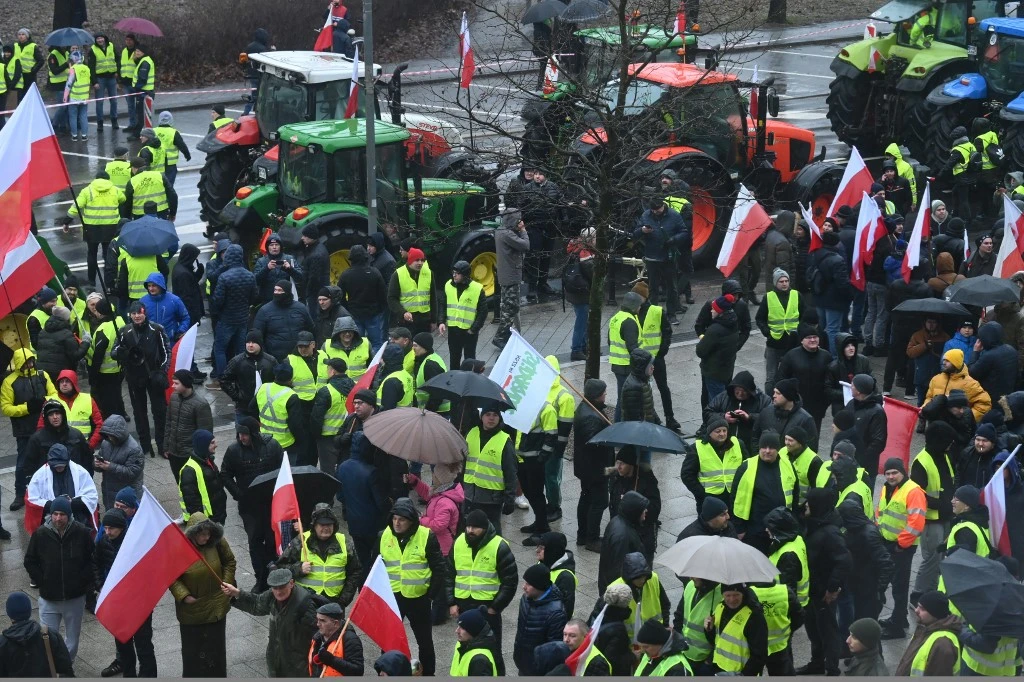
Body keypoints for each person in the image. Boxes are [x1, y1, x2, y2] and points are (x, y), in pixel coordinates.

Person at [374, 498, 446, 675]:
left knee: (425, 642)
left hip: (418, 598)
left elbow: (439, 568)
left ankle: (429, 674)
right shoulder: (383, 536)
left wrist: (430, 595)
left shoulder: (426, 536)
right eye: (395, 518)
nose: (397, 523)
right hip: (393, 598)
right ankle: (386, 673)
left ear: (411, 521)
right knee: (389, 642)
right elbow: (374, 567)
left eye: (402, 520)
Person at [23, 496, 94, 662]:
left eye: (62, 514)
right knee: (47, 638)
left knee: (73, 638)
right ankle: (53, 669)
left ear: (69, 515)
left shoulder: (81, 532)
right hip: (49, 597)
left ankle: (66, 667)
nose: (58, 518)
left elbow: (92, 559)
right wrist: (42, 580)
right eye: (55, 514)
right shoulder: (40, 534)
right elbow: (30, 561)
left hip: (74, 598)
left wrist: (82, 581)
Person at [447, 511, 519, 663]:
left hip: (488, 607)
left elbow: (510, 582)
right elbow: (449, 574)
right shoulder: (459, 542)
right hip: (463, 606)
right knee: (464, 648)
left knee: (493, 651)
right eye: (468, 526)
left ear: (485, 528)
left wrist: (495, 608)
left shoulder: (499, 546)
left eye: (475, 527)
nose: (470, 530)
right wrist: (451, 603)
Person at [221, 568, 319, 677]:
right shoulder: (272, 596)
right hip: (276, 659)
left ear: (291, 583)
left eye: (281, 587)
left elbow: (316, 639)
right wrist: (237, 593)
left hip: (297, 666)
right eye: (274, 587)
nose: (278, 591)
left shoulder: (305, 606)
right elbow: (256, 604)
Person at [94, 508, 157, 677]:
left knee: (143, 644)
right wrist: (100, 585)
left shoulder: (135, 543)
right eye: (105, 528)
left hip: (139, 603)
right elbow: (96, 564)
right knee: (123, 643)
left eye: (111, 528)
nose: (107, 532)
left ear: (121, 527)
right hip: (118, 602)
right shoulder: (103, 542)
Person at [797, 488, 851, 676]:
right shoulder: (813, 522)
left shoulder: (830, 531)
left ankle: (831, 668)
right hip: (812, 588)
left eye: (809, 503)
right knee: (813, 628)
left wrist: (832, 588)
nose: (805, 506)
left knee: (827, 630)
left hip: (823, 591)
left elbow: (843, 560)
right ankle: (817, 662)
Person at [876, 457, 927, 640]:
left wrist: (901, 544)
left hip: (901, 546)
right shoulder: (886, 488)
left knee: (899, 585)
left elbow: (916, 522)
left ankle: (897, 626)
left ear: (903, 472)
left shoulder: (913, 491)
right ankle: (899, 618)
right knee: (898, 584)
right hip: (888, 542)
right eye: (887, 473)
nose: (890, 476)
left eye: (894, 473)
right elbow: (881, 512)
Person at [112, 301, 170, 456]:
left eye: (140, 312)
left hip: (154, 376)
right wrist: (121, 353)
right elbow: (114, 351)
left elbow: (166, 352)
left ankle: (162, 445)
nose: (137, 316)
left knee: (160, 411)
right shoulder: (124, 331)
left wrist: (161, 372)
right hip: (134, 378)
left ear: (145, 313)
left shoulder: (157, 329)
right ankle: (144, 445)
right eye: (134, 313)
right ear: (130, 315)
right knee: (139, 412)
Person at [908, 421, 957, 601]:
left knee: (940, 557)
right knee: (932, 558)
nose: (951, 444)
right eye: (948, 441)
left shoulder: (943, 455)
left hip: (945, 517)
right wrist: (943, 505)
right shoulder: (922, 462)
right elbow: (918, 494)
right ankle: (918, 595)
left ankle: (931, 593)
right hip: (931, 520)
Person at [731, 431, 799, 541]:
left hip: (780, 528)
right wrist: (739, 528)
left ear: (778, 449)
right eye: (764, 447)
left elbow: (795, 495)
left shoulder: (788, 466)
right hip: (755, 529)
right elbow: (735, 499)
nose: (767, 451)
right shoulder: (746, 467)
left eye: (771, 447)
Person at [336, 432, 389, 573]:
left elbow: (340, 496)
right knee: (377, 560)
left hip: (354, 524)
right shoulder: (371, 472)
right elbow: (381, 503)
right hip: (373, 525)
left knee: (363, 560)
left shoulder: (343, 467)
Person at [835, 499, 893, 625]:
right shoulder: (854, 529)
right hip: (858, 585)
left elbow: (886, 563)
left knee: (866, 628)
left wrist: (879, 589)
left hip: (868, 589)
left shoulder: (868, 534)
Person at [463, 402, 518, 534]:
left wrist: (510, 499)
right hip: (470, 494)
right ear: (482, 417)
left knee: (492, 531)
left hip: (492, 499)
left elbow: (511, 472)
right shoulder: (472, 433)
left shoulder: (504, 440)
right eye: (488, 414)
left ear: (500, 418)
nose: (491, 418)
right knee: (470, 530)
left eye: (495, 415)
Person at [64, 170, 125, 286]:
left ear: (96, 179)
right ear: (108, 179)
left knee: (92, 254)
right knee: (109, 255)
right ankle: (109, 281)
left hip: (91, 228)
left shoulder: (87, 191)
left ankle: (91, 280)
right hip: (111, 226)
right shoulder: (115, 190)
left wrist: (67, 221)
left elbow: (76, 206)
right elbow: (123, 199)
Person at [573, 379, 613, 551]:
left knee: (586, 498)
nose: (605, 395)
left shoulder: (587, 408)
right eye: (603, 392)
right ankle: (592, 538)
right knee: (600, 502)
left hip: (586, 467)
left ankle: (582, 535)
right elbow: (593, 443)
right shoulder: (591, 417)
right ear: (597, 395)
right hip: (595, 468)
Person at [0, 590, 75, 677]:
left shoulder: (3, 644)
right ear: (29, 611)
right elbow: (66, 670)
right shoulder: (50, 635)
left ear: (9, 613)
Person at [682, 415, 744, 514]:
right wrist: (701, 494)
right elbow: (687, 475)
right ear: (710, 433)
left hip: (734, 496)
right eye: (718, 431)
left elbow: (746, 467)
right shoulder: (697, 448)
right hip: (709, 498)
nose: (722, 434)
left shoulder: (738, 444)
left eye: (724, 430)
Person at [756, 268, 805, 394]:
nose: (784, 283)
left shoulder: (796, 295)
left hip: (792, 342)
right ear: (775, 283)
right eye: (781, 281)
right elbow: (760, 318)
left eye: (786, 280)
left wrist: (800, 334)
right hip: (774, 342)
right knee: (771, 377)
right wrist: (767, 333)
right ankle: (769, 402)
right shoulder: (768, 297)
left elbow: (803, 316)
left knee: (792, 374)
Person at [513, 564, 568, 675]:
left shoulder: (556, 613)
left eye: (529, 584)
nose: (524, 587)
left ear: (539, 586)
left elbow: (554, 649)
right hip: (523, 662)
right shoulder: (525, 599)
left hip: (539, 669)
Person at [704, 583, 769, 675]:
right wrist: (709, 630)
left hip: (741, 673)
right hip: (719, 667)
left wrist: (744, 675)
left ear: (743, 594)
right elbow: (716, 641)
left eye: (736, 595)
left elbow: (760, 655)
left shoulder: (754, 616)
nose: (732, 599)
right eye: (728, 595)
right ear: (723, 595)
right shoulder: (720, 608)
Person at [609, 447, 661, 560]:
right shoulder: (616, 478)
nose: (618, 467)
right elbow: (613, 505)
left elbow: (655, 508)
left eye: (622, 463)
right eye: (617, 462)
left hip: (642, 537)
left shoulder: (647, 481)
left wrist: (638, 511)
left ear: (631, 464)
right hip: (622, 535)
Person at [893, 591, 962, 675]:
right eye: (918, 606)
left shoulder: (943, 645)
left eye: (922, 609)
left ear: (935, 613)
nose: (916, 610)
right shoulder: (925, 627)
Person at [24, 399, 92, 483]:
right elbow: (29, 466)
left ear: (63, 415)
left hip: (74, 480)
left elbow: (87, 461)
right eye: (51, 414)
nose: (55, 417)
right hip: (47, 482)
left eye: (57, 413)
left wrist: (87, 481)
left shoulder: (76, 435)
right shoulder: (36, 439)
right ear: (46, 417)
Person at [165, 369, 214, 482]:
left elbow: (206, 433)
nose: (173, 386)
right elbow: (169, 423)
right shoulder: (173, 398)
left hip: (190, 454)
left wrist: (205, 455)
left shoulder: (200, 404)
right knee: (180, 483)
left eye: (177, 383)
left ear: (186, 384)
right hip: (174, 453)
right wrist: (166, 446)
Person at [252, 279, 315, 364]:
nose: (277, 293)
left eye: (280, 290)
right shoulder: (264, 310)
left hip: (299, 356)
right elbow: (257, 335)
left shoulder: (300, 308)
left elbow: (311, 329)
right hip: (275, 358)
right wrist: (266, 357)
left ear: (287, 292)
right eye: (275, 290)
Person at [809, 231, 852, 355]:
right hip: (834, 300)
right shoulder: (837, 260)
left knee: (822, 327)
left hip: (819, 296)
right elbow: (842, 283)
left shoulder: (815, 254)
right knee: (833, 329)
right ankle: (834, 357)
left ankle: (820, 351)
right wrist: (850, 296)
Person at [598, 490, 648, 594]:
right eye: (643, 509)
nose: (646, 511)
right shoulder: (623, 536)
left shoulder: (619, 521)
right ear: (634, 511)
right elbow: (618, 570)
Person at [748, 579, 802, 676]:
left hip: (755, 647)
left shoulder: (748, 593)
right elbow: (799, 616)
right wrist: (788, 631)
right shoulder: (785, 590)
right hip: (779, 646)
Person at [438, 260, 486, 368]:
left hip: (469, 331)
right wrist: (441, 322)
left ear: (465, 275)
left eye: (457, 273)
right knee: (454, 358)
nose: (454, 275)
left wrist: (473, 329)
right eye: (453, 272)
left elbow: (483, 312)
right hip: (453, 330)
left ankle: (469, 380)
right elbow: (443, 304)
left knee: (469, 360)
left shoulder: (477, 289)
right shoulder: (448, 285)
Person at [493, 208, 530, 348]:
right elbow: (525, 245)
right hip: (511, 275)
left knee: (507, 306)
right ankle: (500, 336)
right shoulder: (507, 234)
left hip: (506, 274)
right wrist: (523, 231)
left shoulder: (500, 231)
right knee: (510, 307)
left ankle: (507, 334)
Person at [925, 348, 992, 423]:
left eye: (947, 360)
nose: (943, 362)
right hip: (934, 426)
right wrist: (925, 410)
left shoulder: (970, 383)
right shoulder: (936, 379)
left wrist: (967, 418)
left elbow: (984, 404)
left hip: (956, 429)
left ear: (956, 363)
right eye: (944, 360)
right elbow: (929, 398)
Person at [221, 331, 276, 421]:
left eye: (254, 342)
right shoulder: (237, 361)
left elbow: (277, 381)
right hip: (244, 408)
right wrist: (237, 397)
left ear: (260, 344)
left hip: (267, 407)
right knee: (244, 433)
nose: (250, 345)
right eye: (248, 342)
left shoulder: (271, 361)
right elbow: (224, 380)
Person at [94, 414, 144, 511]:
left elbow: (132, 473)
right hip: (109, 492)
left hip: (127, 496)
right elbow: (101, 461)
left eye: (112, 435)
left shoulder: (134, 449)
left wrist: (110, 467)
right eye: (108, 435)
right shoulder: (106, 443)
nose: (110, 437)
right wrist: (97, 464)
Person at [696, 294, 740, 403]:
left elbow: (700, 351)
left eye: (713, 309)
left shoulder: (714, 330)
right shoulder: (733, 323)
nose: (711, 311)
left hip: (713, 372)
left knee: (717, 404)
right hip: (727, 370)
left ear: (719, 311)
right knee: (725, 401)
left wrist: (703, 339)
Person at [608, 292, 643, 419]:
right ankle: (620, 425)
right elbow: (632, 347)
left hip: (617, 364)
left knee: (622, 398)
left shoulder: (616, 318)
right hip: (627, 365)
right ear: (634, 306)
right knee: (626, 400)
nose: (640, 308)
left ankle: (619, 425)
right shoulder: (629, 321)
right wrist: (642, 364)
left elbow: (609, 341)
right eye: (639, 306)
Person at [388, 247, 435, 337]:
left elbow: (433, 298)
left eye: (422, 260)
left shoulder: (429, 273)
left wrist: (434, 320)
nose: (420, 263)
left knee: (423, 349)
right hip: (406, 321)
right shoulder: (398, 274)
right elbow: (391, 298)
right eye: (417, 260)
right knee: (408, 348)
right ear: (410, 261)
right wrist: (403, 312)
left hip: (424, 321)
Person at [35, 306, 90, 383]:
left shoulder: (43, 332)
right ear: (66, 318)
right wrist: (86, 342)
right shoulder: (66, 334)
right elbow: (75, 355)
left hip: (42, 370)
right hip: (61, 372)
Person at [308, 602, 364, 676]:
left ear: (335, 623)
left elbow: (357, 671)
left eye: (322, 621)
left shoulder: (350, 640)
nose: (318, 624)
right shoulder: (318, 636)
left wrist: (332, 660)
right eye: (318, 620)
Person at [970, 321, 1018, 403]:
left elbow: (972, 373)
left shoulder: (989, 356)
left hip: (992, 397)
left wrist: (975, 352)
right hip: (1009, 395)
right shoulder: (1011, 349)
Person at [907, 318, 951, 407]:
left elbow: (948, 354)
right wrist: (924, 345)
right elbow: (910, 352)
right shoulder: (918, 335)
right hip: (922, 374)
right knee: (921, 402)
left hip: (938, 375)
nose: (931, 325)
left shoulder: (944, 337)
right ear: (924, 323)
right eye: (929, 322)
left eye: (934, 322)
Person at [825, 333, 871, 415]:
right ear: (841, 348)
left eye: (852, 345)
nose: (851, 348)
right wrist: (847, 393)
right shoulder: (833, 367)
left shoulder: (864, 361)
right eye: (847, 346)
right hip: (841, 405)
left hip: (862, 401)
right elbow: (828, 390)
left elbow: (872, 380)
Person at [253, 233, 302, 305]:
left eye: (277, 245)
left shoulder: (289, 259)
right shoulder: (261, 261)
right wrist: (267, 268)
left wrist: (290, 269)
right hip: (267, 301)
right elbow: (255, 281)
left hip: (287, 300)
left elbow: (300, 278)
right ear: (267, 247)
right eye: (271, 245)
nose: (274, 247)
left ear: (281, 247)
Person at [299, 226, 331, 319]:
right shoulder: (316, 247)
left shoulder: (316, 255)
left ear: (311, 237)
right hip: (318, 291)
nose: (302, 238)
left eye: (304, 236)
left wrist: (307, 292)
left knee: (314, 317)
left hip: (315, 293)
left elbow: (314, 278)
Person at [125, 43, 155, 140]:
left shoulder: (145, 62)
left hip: (144, 92)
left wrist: (136, 89)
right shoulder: (144, 60)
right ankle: (142, 134)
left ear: (143, 52)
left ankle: (137, 135)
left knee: (141, 115)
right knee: (143, 115)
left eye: (138, 51)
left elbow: (142, 79)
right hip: (145, 92)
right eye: (136, 51)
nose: (136, 52)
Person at [957, 423, 1000, 489]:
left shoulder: (997, 459)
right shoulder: (966, 453)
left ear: (993, 443)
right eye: (978, 439)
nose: (980, 444)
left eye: (984, 440)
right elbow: (958, 476)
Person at [153, 111, 190, 186]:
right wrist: (187, 155)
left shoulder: (154, 131)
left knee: (157, 183)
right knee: (169, 184)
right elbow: (182, 146)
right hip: (170, 163)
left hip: (156, 162)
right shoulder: (174, 132)